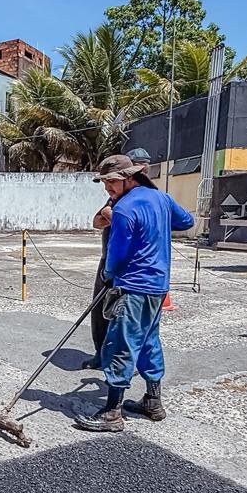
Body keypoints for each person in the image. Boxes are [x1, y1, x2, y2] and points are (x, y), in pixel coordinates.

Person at [74, 153, 193, 433]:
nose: (107, 189)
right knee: (149, 341)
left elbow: (116, 254)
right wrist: (156, 224)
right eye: (104, 183)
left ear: (129, 178)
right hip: (157, 286)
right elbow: (186, 220)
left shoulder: (125, 208)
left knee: (120, 343)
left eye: (111, 183)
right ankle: (153, 401)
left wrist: (108, 277)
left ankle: (112, 412)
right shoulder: (161, 199)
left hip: (132, 286)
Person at [84, 148, 152, 370]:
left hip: (132, 267)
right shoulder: (116, 196)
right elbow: (98, 219)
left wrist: (117, 218)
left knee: (125, 318)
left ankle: (122, 364)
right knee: (99, 310)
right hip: (108, 260)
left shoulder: (147, 196)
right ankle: (100, 353)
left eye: (145, 166)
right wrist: (114, 217)